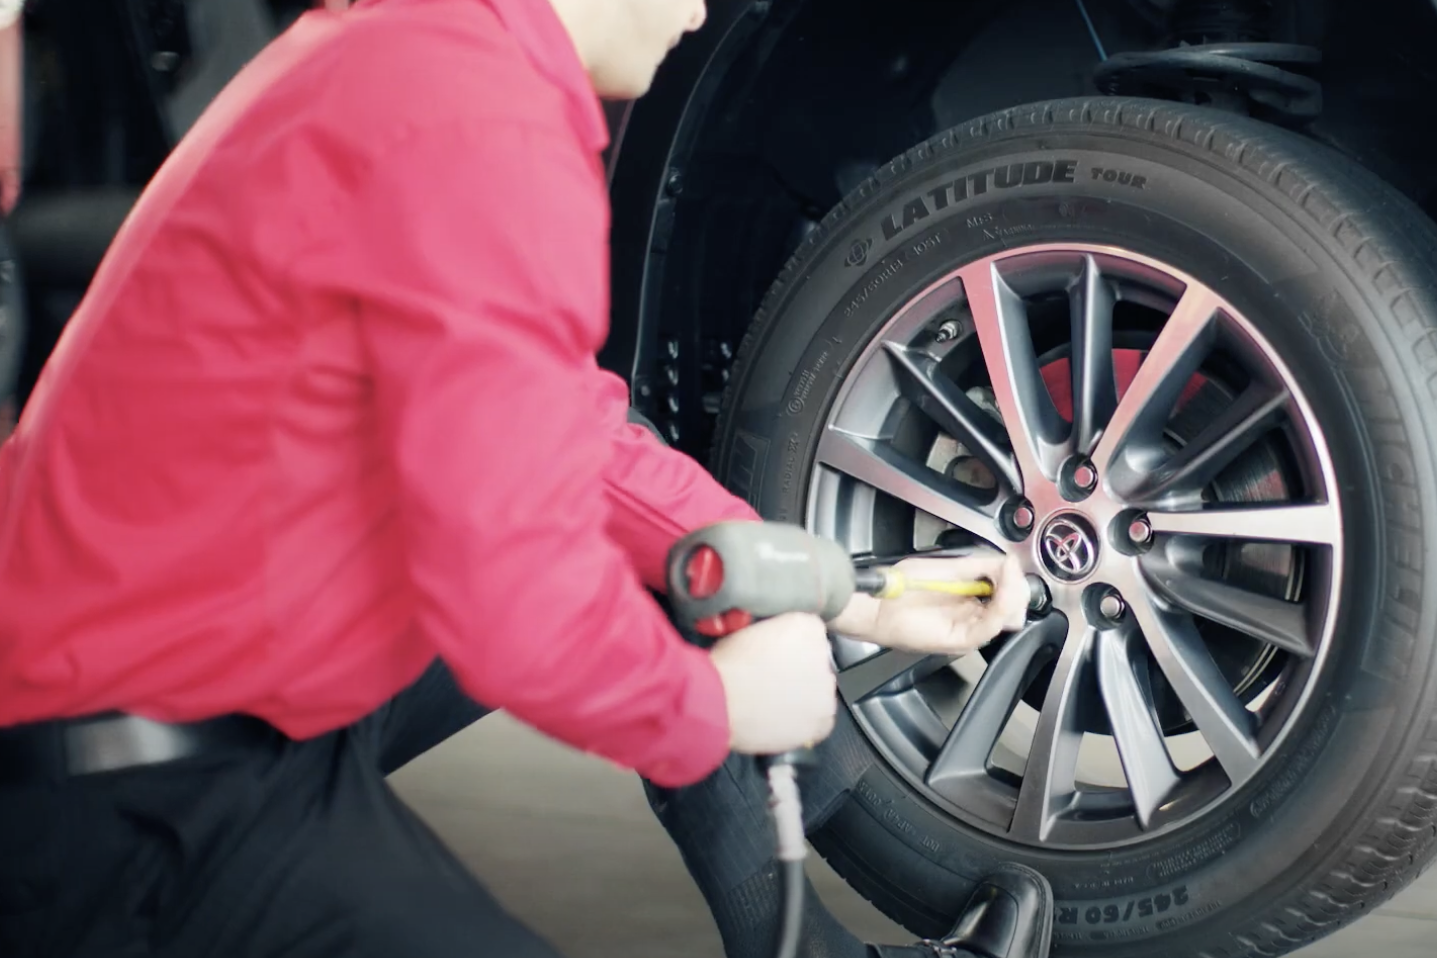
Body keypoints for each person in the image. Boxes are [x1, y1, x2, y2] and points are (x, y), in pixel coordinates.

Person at [0, 0, 1056, 956]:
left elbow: (571, 439)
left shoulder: (435, 60)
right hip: (131, 785)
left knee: (689, 575)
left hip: (210, 679)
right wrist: (712, 706)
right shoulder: (473, 124)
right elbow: (508, 592)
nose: (699, 9)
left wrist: (843, 588)